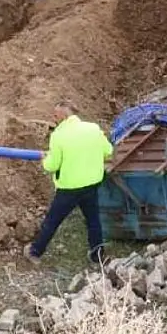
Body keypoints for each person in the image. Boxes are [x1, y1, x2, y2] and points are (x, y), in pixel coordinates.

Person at [25, 101, 113, 265]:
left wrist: (45, 160)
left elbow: (53, 165)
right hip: (92, 184)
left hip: (69, 188)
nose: (54, 118)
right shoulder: (93, 129)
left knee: (52, 221)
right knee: (93, 220)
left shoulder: (58, 135)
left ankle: (34, 251)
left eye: (55, 115)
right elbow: (108, 151)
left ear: (63, 116)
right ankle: (98, 255)